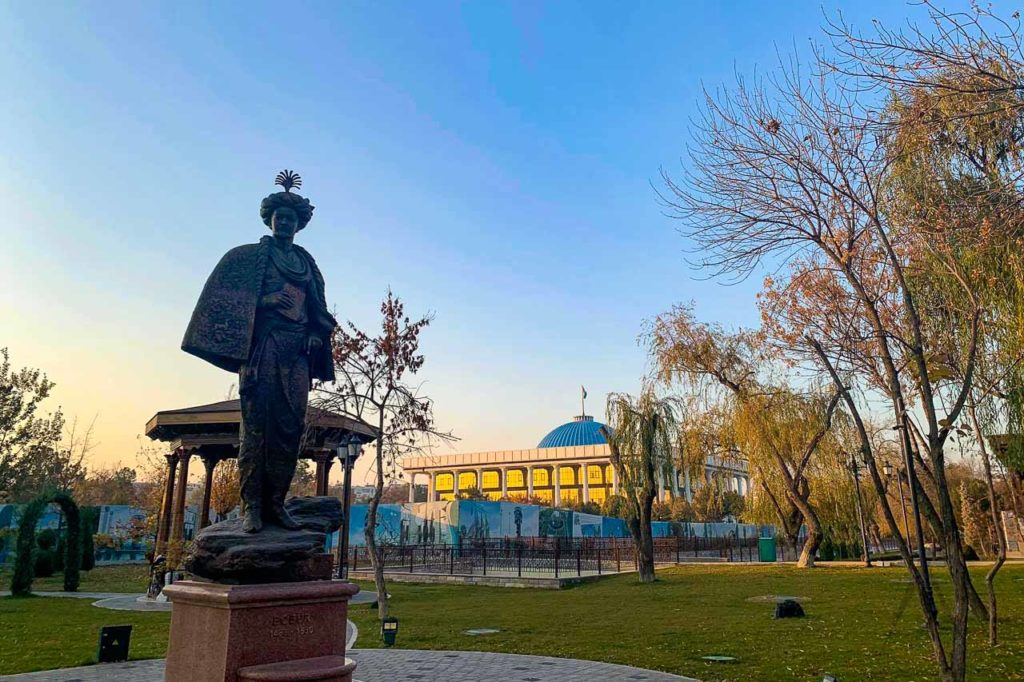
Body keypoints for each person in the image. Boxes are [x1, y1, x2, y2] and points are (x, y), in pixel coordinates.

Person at [182, 171, 337, 533]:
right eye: (279, 217)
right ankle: (252, 506)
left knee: (289, 428)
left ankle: (276, 504)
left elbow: (319, 311)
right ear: (270, 219)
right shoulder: (251, 259)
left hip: (295, 351)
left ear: (299, 225)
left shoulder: (306, 263)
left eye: (291, 219)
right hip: (262, 348)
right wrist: (266, 300)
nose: (284, 223)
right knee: (256, 428)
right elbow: (230, 303)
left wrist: (315, 333)